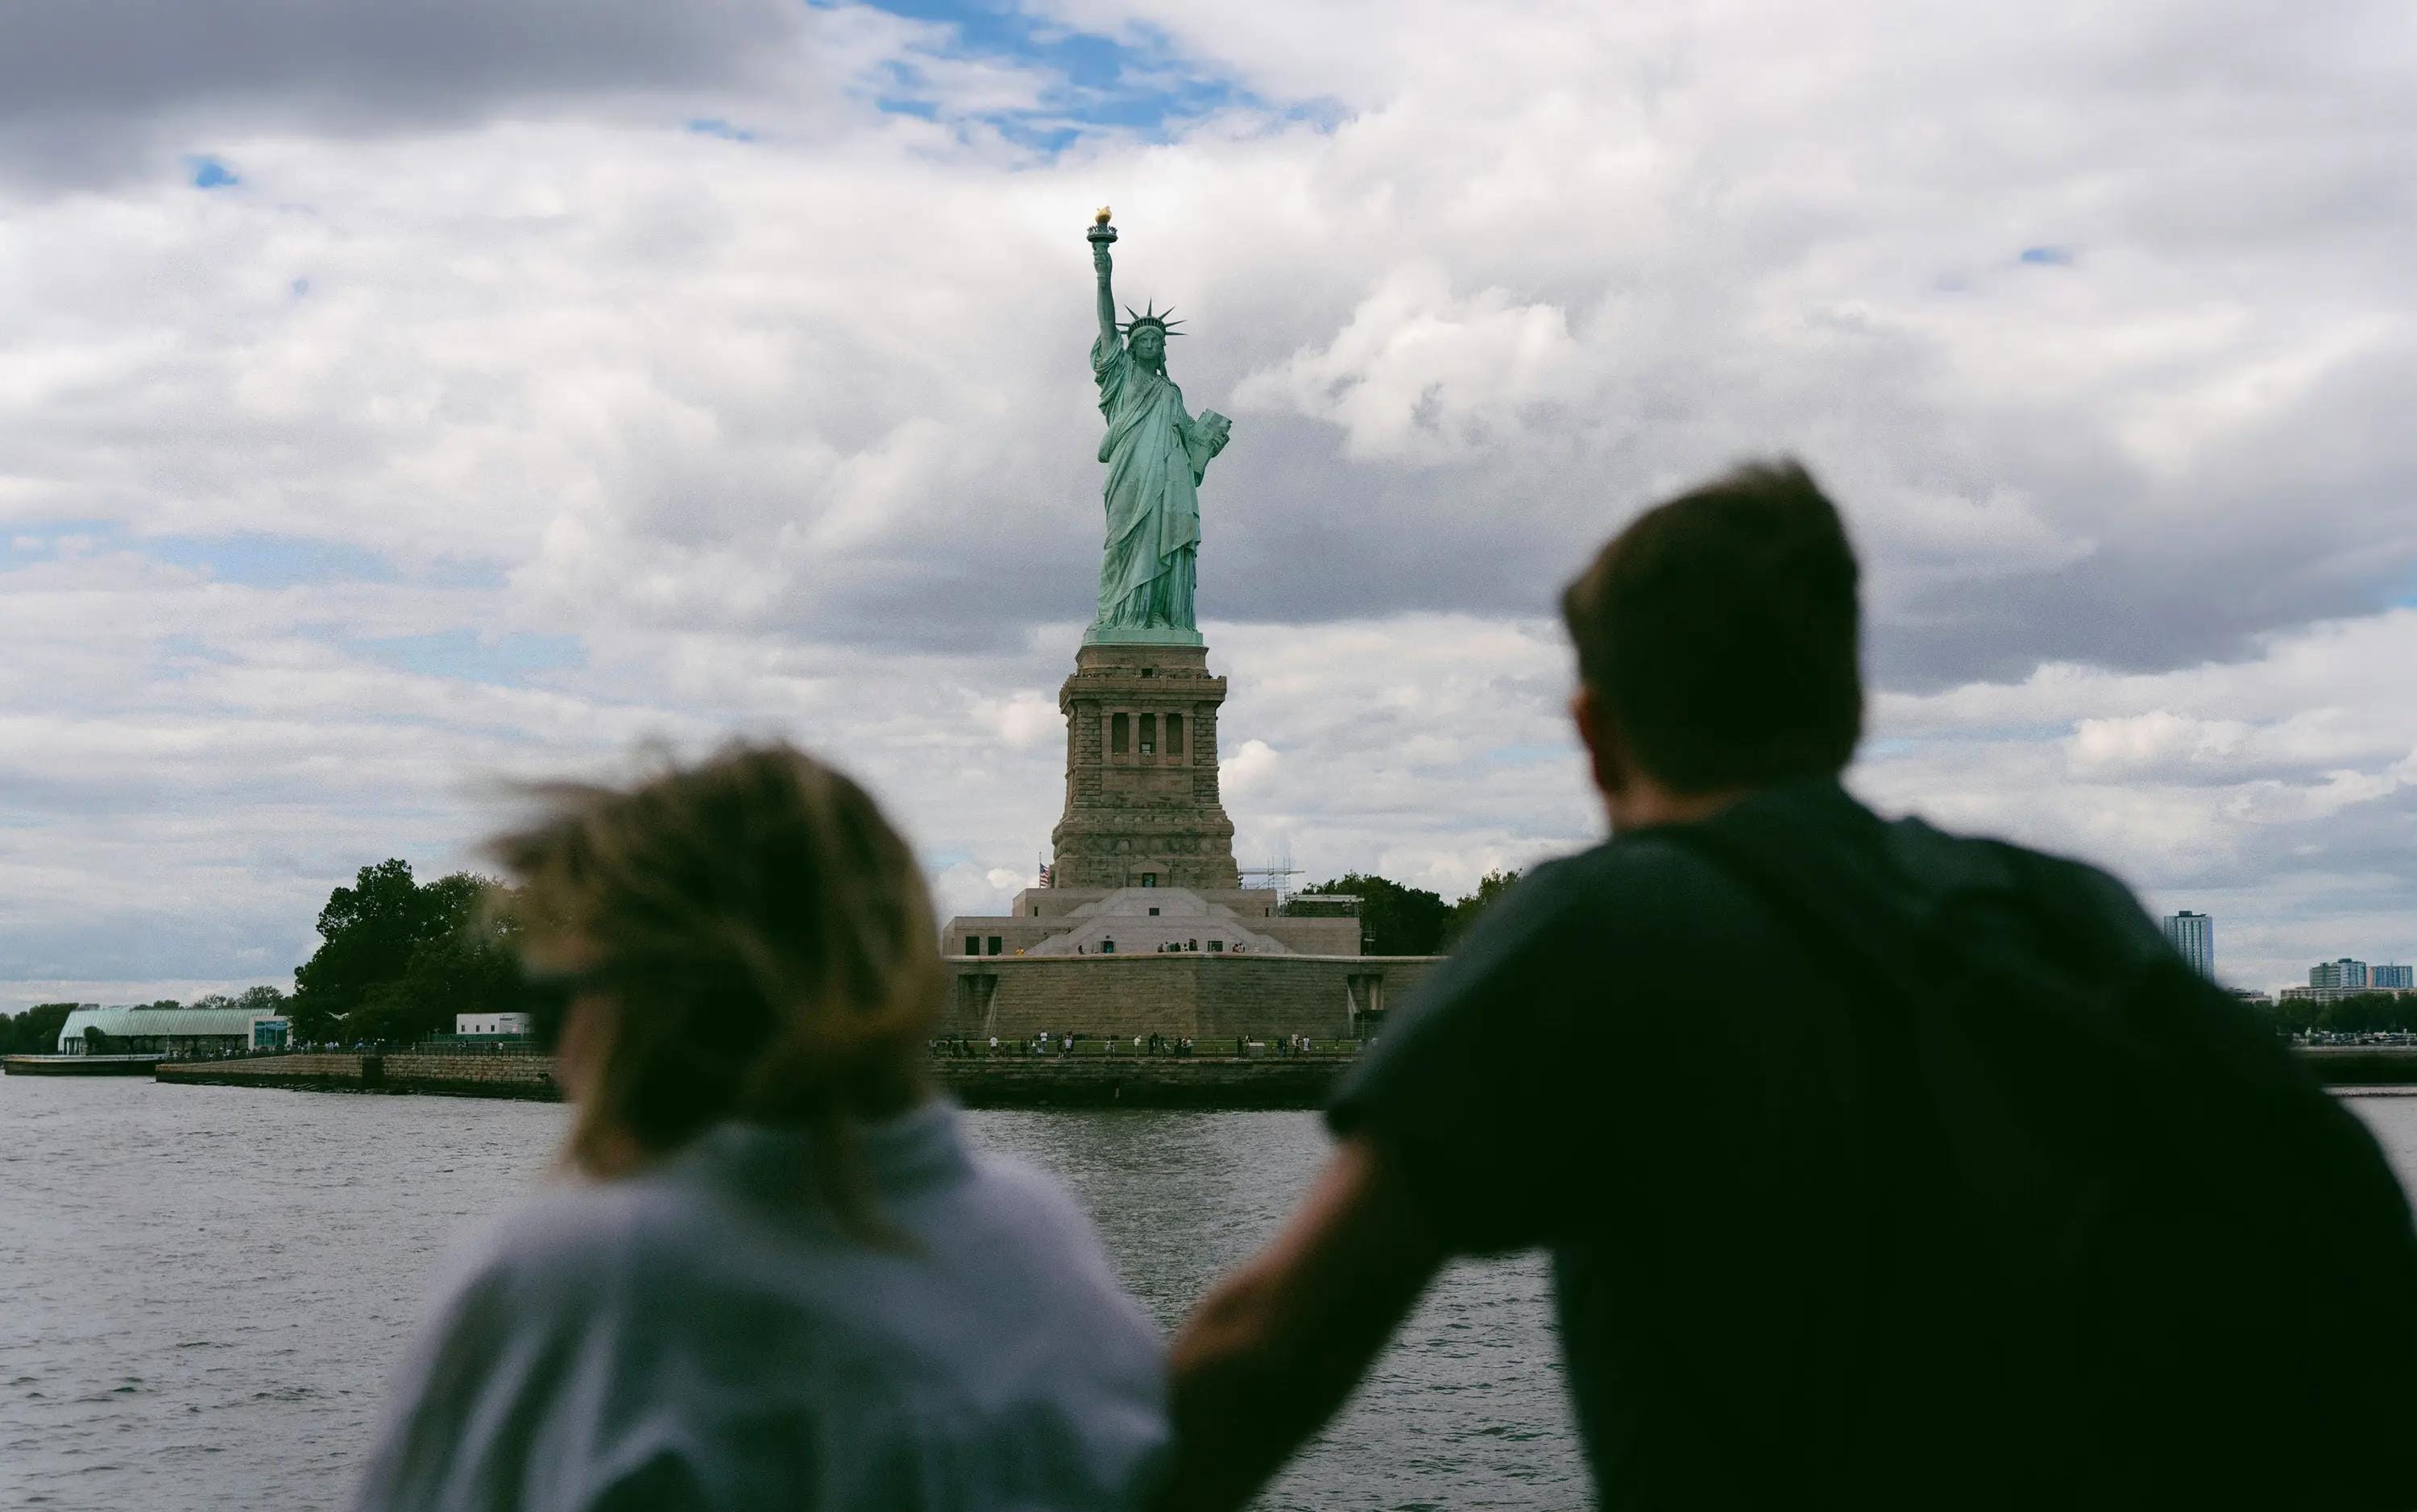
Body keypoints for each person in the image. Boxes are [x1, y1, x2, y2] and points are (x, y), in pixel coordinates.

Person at [1156, 462, 2417, 1512]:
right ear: (1850, 706)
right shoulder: (2066, 908)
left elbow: (1267, 1349)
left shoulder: (1610, 918)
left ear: (1595, 731)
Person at [353, 743, 1167, 1511]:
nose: (561, 1052)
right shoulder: (1037, 1241)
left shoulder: (574, 1279)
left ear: (660, 997)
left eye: (560, 999)